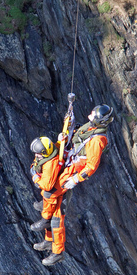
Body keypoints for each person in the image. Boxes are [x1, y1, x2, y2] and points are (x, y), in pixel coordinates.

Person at [31, 104, 113, 266]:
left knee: (52, 202)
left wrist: (75, 180)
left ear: (100, 121)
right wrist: (65, 137)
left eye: (93, 115)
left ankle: (57, 251)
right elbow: (76, 138)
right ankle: (48, 238)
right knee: (51, 203)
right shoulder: (90, 128)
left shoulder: (98, 140)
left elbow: (91, 166)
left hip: (71, 171)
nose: (89, 116)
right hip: (67, 163)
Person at [29, 137, 62, 252]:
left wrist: (35, 178)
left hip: (55, 191)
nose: (36, 155)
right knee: (49, 214)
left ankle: (55, 249)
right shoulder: (46, 154)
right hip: (51, 190)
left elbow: (47, 185)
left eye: (38, 153)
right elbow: (36, 162)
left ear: (44, 152)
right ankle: (47, 241)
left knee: (52, 219)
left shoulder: (50, 164)